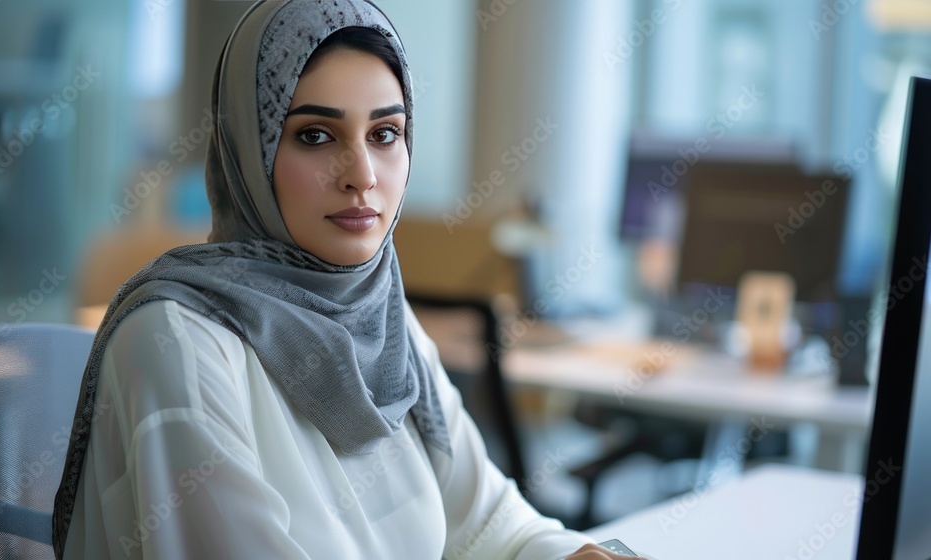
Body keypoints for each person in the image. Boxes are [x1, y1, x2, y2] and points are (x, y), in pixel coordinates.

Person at [52, 1, 646, 558]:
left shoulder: (384, 318)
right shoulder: (176, 342)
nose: (361, 174)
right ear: (248, 154)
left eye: (385, 134)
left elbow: (492, 525)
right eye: (315, 135)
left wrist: (572, 553)